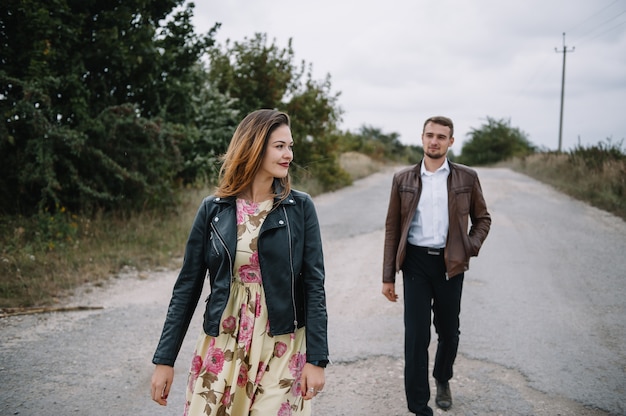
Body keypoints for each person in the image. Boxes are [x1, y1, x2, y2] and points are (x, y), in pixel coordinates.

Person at [151, 109, 329, 415]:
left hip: (281, 343)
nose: (288, 154)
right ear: (254, 146)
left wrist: (317, 359)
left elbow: (314, 284)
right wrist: (164, 361)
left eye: (290, 146)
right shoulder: (214, 209)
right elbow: (186, 288)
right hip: (223, 339)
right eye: (279, 146)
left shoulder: (299, 207)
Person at [381, 116, 491, 415]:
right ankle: (419, 406)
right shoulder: (403, 178)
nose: (434, 141)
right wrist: (388, 276)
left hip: (449, 263)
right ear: (422, 138)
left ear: (450, 142)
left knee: (449, 332)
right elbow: (392, 229)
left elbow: (483, 219)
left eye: (441, 137)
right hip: (415, 263)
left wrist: (469, 246)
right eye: (430, 135)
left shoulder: (466, 177)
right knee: (416, 337)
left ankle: (442, 378)